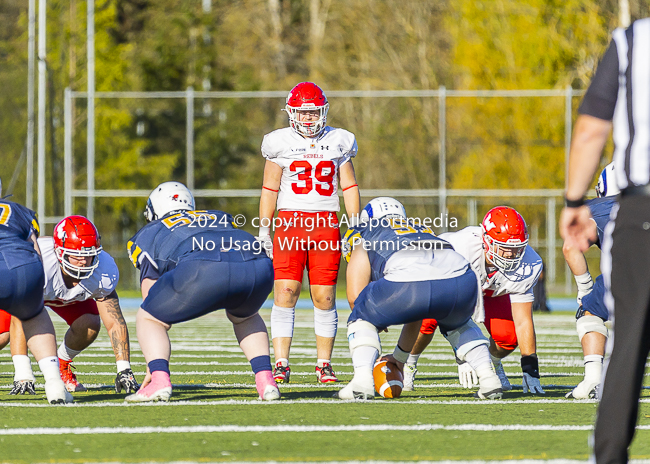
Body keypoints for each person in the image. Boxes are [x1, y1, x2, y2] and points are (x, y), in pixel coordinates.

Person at [559, 18, 650, 462]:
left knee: (628, 342)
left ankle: (611, 452)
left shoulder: (632, 41)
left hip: (643, 210)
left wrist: (573, 199)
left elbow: (592, 128)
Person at [125, 181, 279, 402]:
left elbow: (150, 293)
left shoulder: (151, 231)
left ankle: (159, 380)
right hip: (258, 264)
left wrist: (153, 358)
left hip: (204, 266)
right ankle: (266, 381)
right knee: (245, 315)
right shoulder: (219, 215)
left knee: (148, 318)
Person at [336, 197, 502, 400]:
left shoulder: (365, 230)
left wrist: (373, 319)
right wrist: (400, 358)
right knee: (458, 324)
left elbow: (356, 295)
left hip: (409, 277)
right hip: (462, 277)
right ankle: (488, 379)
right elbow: (417, 310)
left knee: (360, 316)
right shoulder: (421, 227)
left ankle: (361, 381)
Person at [257, 82, 360, 384]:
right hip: (290, 223)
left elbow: (349, 186)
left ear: (323, 111)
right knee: (285, 292)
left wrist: (354, 228)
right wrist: (264, 229)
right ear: (291, 113)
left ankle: (323, 364)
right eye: (303, 113)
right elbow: (269, 189)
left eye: (314, 112)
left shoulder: (339, 141)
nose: (309, 119)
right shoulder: (279, 142)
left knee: (325, 296)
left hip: (326, 224)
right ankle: (281, 363)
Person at [403, 207, 545, 396]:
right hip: (450, 285)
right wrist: (462, 353)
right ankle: (409, 364)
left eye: (517, 248)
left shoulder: (530, 263)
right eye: (505, 248)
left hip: (493, 292)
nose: (512, 254)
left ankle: (492, 363)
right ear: (486, 241)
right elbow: (449, 303)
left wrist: (530, 368)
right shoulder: (460, 248)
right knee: (426, 321)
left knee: (508, 337)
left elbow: (523, 320)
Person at [4, 215, 138, 395]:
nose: (83, 261)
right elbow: (19, 317)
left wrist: (124, 369)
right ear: (60, 252)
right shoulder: (37, 260)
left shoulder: (103, 269)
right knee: (3, 335)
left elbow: (114, 320)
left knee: (89, 324)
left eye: (89, 255)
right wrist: (23, 373)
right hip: (26, 291)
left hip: (60, 296)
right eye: (77, 256)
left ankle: (61, 365)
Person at [0, 178, 72, 403]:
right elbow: (36, 249)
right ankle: (54, 383)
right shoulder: (18, 211)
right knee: (34, 315)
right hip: (27, 267)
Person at [563, 163, 618, 400]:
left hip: (634, 270)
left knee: (591, 313)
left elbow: (570, 247)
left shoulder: (594, 209)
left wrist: (585, 291)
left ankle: (593, 380)